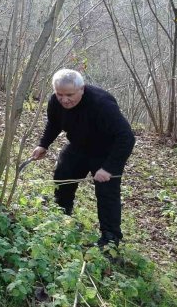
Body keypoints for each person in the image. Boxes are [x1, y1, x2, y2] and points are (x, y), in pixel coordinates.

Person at [31, 69, 135, 248]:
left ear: (82, 89)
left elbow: (126, 137)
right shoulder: (55, 101)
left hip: (106, 151)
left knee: (106, 194)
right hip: (78, 146)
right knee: (63, 175)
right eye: (60, 94)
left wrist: (108, 168)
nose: (64, 99)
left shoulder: (102, 104)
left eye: (69, 94)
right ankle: (61, 213)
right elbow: (54, 122)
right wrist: (43, 144)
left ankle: (110, 239)